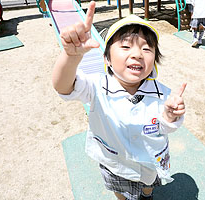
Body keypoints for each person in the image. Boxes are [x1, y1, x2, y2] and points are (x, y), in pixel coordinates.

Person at [52, 2, 186, 200]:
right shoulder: (96, 86)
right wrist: (71, 57)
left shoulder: (162, 94)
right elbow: (63, 86)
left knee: (148, 186)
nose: (137, 54)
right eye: (125, 46)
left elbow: (165, 129)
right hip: (113, 162)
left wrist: (169, 116)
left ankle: (147, 194)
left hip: (149, 162)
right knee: (118, 189)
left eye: (147, 49)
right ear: (107, 58)